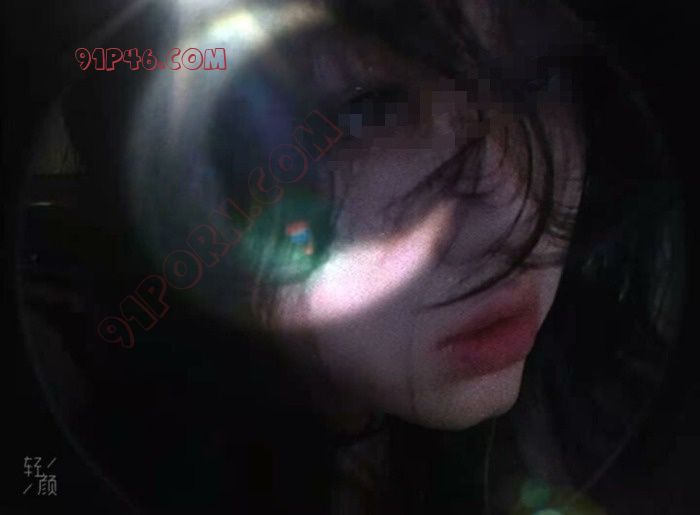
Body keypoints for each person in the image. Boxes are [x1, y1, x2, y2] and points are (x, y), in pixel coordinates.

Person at [17, 0, 685, 514]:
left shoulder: (614, 395)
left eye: (542, 75)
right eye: (367, 109)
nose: (515, 212)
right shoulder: (80, 442)